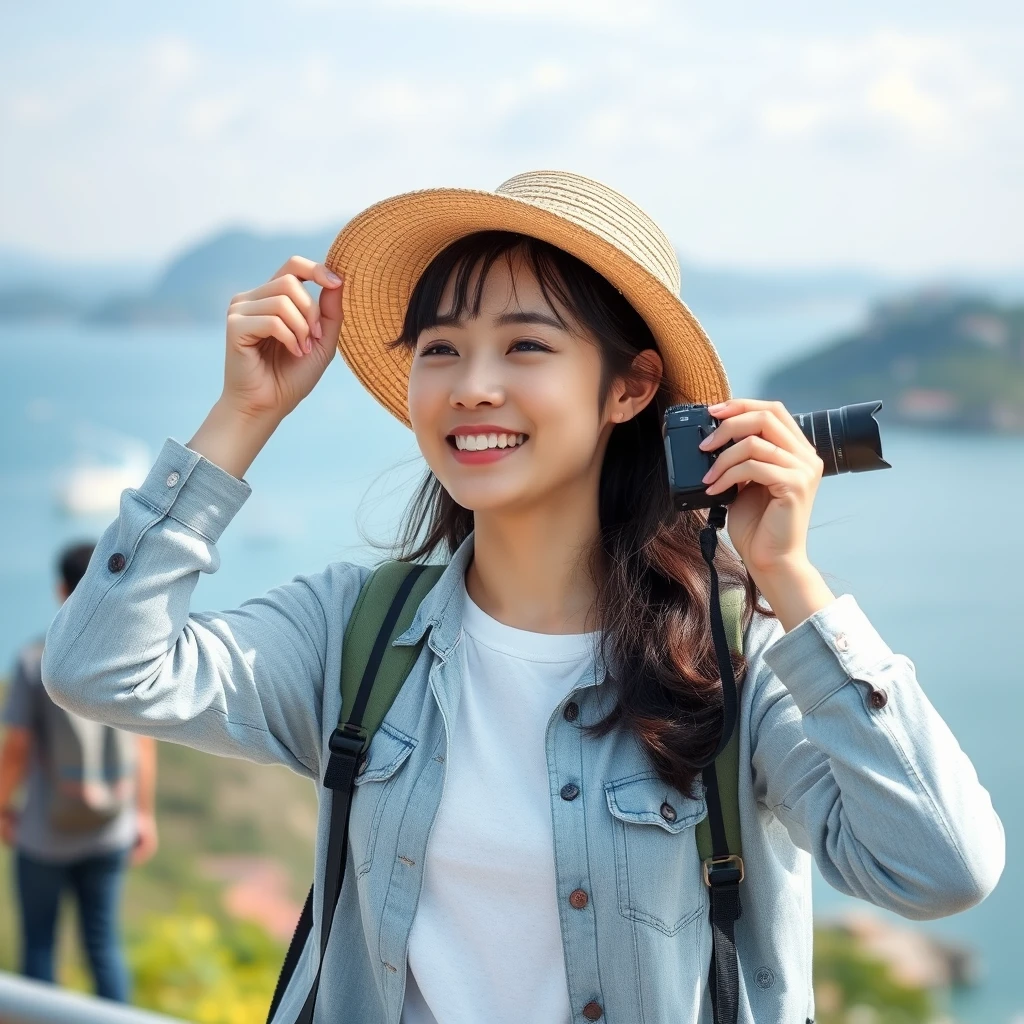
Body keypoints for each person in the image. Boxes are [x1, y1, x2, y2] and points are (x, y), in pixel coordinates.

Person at [41, 171, 1003, 1024]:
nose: (473, 387)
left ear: (629, 390)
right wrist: (241, 417)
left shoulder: (731, 661)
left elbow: (941, 868)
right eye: (442, 349)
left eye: (527, 347)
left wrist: (793, 581)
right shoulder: (357, 634)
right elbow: (98, 670)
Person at [0, 541, 158, 1002]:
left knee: (39, 949)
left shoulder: (35, 661)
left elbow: (17, 749)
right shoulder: (129, 655)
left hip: (44, 834)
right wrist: (143, 814)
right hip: (110, 829)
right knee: (103, 947)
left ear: (58, 589)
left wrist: (3, 805)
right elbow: (143, 742)